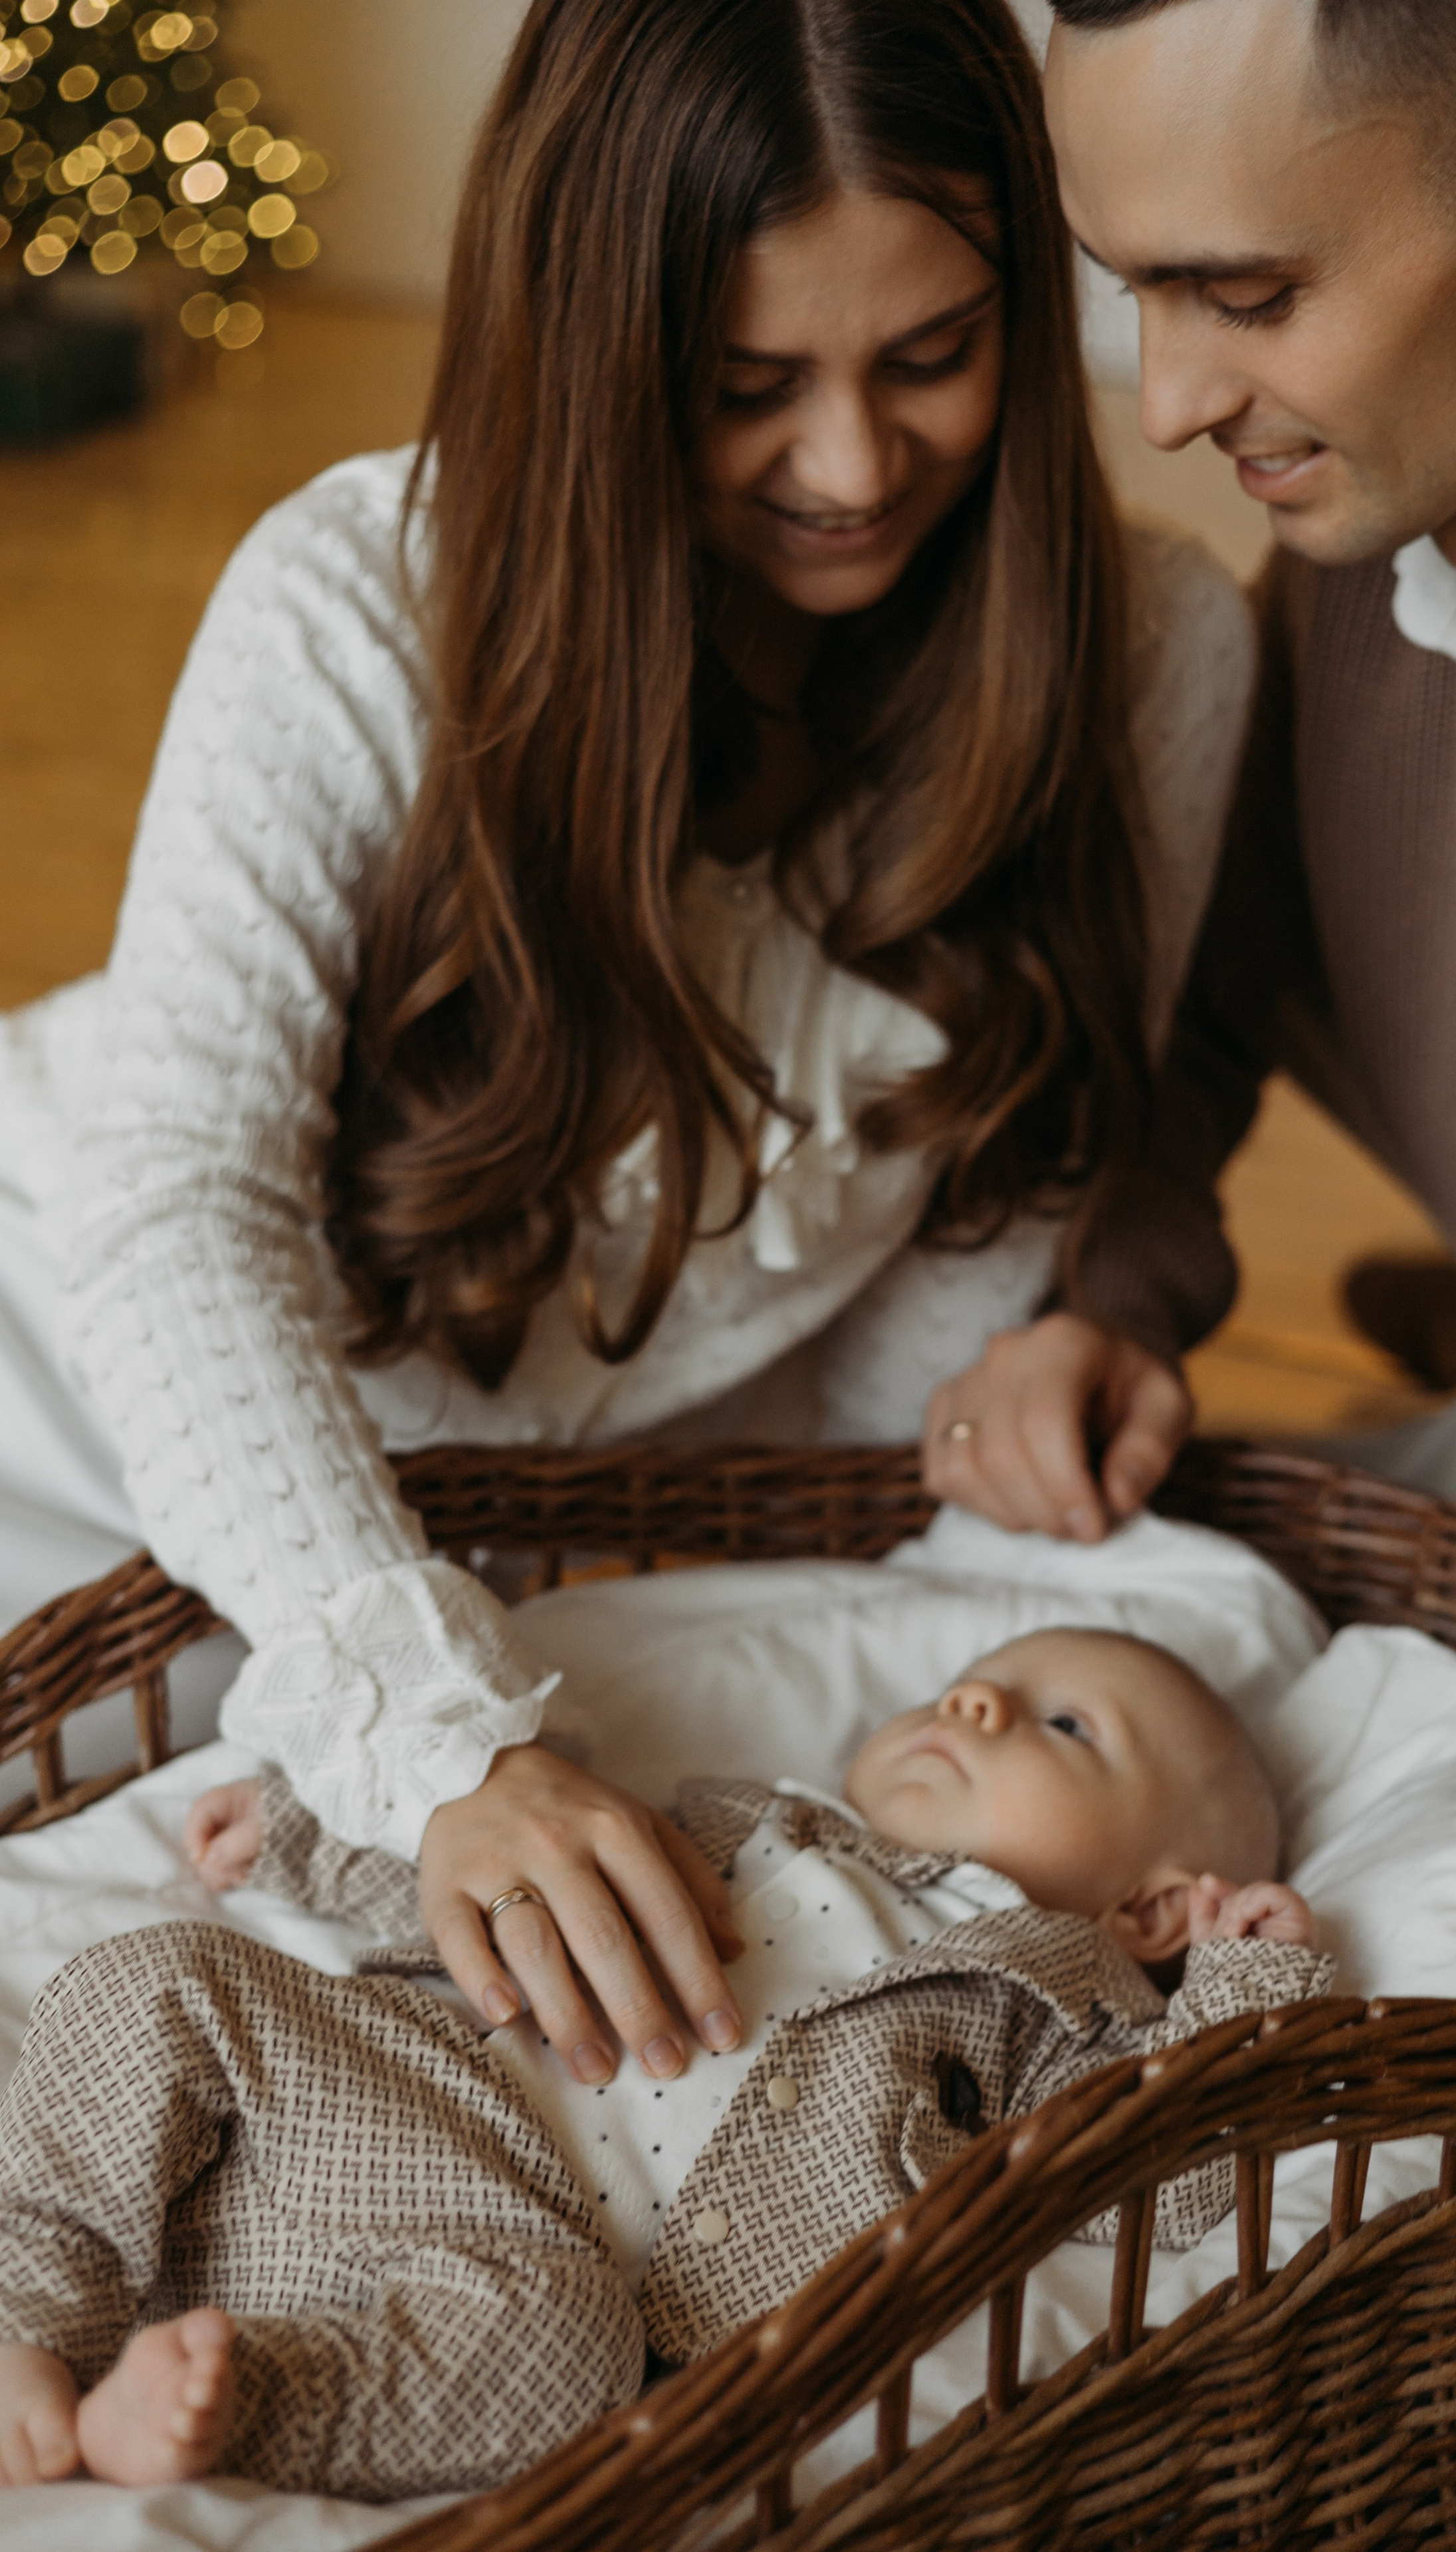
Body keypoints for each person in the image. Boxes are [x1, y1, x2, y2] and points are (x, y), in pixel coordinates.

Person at [0, 0, 1254, 2084]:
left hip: (530, 1535)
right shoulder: (350, 606)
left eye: (932, 355)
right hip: (89, 1384)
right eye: (747, 387)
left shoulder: (1160, 660)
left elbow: (922, 1346)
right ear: (591, 352)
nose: (852, 469)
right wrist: (441, 1734)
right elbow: (174, 1219)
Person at [930, 0, 1456, 1623]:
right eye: (1131, 290)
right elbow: (1215, 982)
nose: (1165, 406)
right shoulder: (1369, 547)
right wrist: (1114, 1300)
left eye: (1249, 297)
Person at [0, 1626, 1328, 2498]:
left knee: (577, 2357)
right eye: (973, 1681)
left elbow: (1167, 2178)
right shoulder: (745, 1825)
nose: (975, 1700)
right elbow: (504, 1889)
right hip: (395, 2089)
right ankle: (29, 2323)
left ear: (1152, 1909)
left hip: (505, 2270)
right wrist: (311, 1847)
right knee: (159, 1976)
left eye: (1062, 1727)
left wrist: (1244, 1989)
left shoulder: (1044, 2013)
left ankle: (217, 2410)